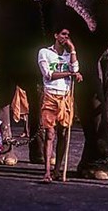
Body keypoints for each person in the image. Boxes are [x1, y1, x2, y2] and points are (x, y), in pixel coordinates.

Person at [38, 27, 83, 183]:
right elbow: (48, 75)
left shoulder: (67, 55)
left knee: (63, 133)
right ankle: (47, 172)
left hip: (65, 97)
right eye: (63, 34)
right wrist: (71, 74)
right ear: (55, 35)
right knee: (50, 134)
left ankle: (57, 170)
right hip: (50, 96)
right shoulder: (44, 52)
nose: (66, 37)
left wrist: (72, 50)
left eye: (68, 35)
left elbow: (76, 68)